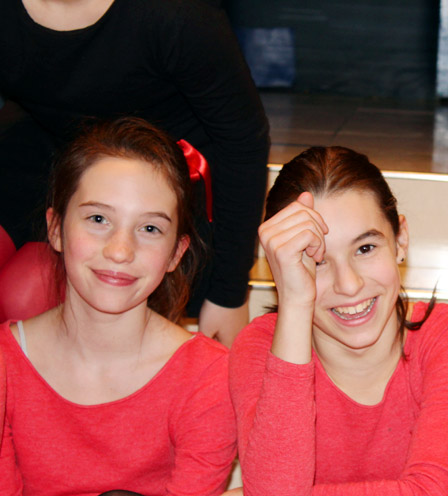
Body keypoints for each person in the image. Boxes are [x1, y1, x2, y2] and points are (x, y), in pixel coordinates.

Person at [146, 146, 448, 496]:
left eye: (365, 248)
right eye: (317, 261)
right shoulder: (258, 346)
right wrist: (296, 303)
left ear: (401, 239)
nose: (349, 285)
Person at [0, 118, 237, 496]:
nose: (120, 250)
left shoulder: (207, 374)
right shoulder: (5, 363)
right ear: (56, 228)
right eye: (98, 219)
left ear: (176, 253)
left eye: (149, 228)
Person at [0, 0, 270, 345]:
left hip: (160, 177)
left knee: (29, 290)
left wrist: (229, 294)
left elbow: (243, 142)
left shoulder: (174, 13)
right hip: (48, 150)